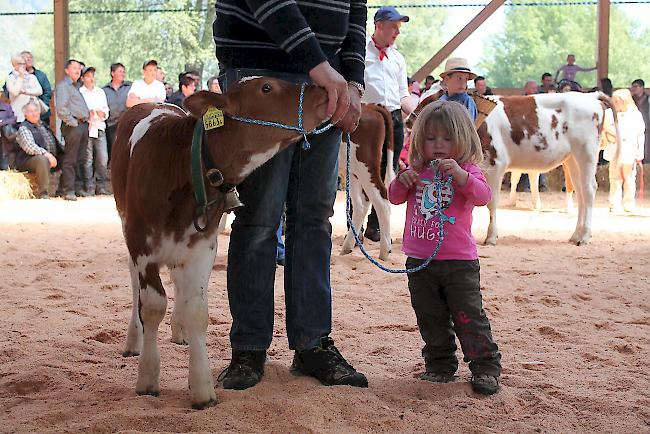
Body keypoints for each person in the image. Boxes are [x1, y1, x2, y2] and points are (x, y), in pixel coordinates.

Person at [214, 0, 368, 390]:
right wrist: (324, 69)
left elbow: (356, 9)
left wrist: (352, 80)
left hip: (327, 82)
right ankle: (248, 347)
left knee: (314, 217)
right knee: (259, 215)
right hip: (262, 71)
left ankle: (313, 343)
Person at [388, 100, 501, 395]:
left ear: (462, 139)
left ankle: (485, 366)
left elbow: (483, 195)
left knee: (468, 316)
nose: (438, 145)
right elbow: (394, 197)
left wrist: (461, 176)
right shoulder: (417, 170)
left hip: (459, 263)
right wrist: (403, 179)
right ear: (419, 140)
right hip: (420, 262)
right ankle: (439, 364)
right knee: (429, 315)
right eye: (430, 138)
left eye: (447, 138)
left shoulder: (468, 170)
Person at [362, 5, 416, 242]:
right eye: (394, 26)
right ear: (379, 26)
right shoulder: (360, 53)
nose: (397, 32)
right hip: (366, 118)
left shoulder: (398, 58)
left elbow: (403, 95)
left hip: (393, 119)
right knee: (362, 171)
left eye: (399, 27)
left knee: (388, 172)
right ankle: (356, 221)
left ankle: (375, 226)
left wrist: (418, 114)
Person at [603, 89, 645, 212]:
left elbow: (640, 134)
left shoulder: (635, 115)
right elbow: (605, 130)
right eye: (614, 100)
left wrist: (640, 151)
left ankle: (628, 203)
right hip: (614, 150)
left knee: (629, 177)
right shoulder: (609, 114)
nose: (615, 103)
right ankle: (614, 203)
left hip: (630, 149)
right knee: (615, 178)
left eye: (618, 101)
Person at [55, 59, 90, 201]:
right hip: (73, 125)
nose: (78, 70)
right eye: (74, 68)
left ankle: (75, 187)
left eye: (79, 68)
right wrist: (73, 122)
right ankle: (68, 190)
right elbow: (61, 108)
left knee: (80, 157)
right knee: (71, 158)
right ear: (66, 70)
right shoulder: (64, 86)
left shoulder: (76, 87)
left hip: (82, 124)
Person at [15, 100, 63, 198]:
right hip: (28, 161)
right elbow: (29, 147)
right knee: (42, 159)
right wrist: (48, 155)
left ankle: (63, 189)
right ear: (25, 115)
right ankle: (43, 192)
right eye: (30, 111)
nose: (34, 113)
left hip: (49, 157)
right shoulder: (24, 127)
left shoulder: (44, 125)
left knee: (68, 157)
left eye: (36, 111)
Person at [80, 66, 110, 195]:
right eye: (88, 76)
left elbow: (106, 109)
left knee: (103, 158)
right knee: (87, 159)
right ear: (82, 79)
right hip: (87, 127)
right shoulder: (80, 92)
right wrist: (88, 114)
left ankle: (101, 185)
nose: (91, 79)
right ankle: (89, 185)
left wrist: (102, 113)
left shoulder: (100, 92)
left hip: (99, 126)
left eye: (92, 76)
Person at [102, 62, 131, 161]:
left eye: (123, 72)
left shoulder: (130, 87)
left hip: (127, 125)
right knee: (113, 153)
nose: (122, 74)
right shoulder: (104, 90)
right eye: (120, 71)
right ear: (112, 73)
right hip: (111, 126)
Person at [5, 53, 43, 123]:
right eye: (20, 64)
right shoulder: (10, 78)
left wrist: (25, 91)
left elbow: (39, 91)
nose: (22, 66)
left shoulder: (32, 77)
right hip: (18, 114)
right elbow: (15, 92)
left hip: (33, 114)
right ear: (14, 65)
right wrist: (21, 76)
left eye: (24, 64)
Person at [20, 51, 52, 124]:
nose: (29, 59)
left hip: (41, 112)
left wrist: (43, 105)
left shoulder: (41, 75)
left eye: (30, 57)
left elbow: (47, 92)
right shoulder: (15, 75)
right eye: (26, 58)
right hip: (21, 113)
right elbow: (8, 91)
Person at [630, 79, 650, 163]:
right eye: (632, 87)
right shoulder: (630, 100)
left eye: (635, 86)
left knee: (647, 147)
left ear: (642, 87)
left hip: (647, 127)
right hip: (633, 128)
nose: (633, 89)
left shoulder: (648, 99)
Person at [0, 95, 17, 170]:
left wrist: (2, 122)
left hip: (4, 141)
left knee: (4, 167)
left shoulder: (6, 107)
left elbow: (13, 119)